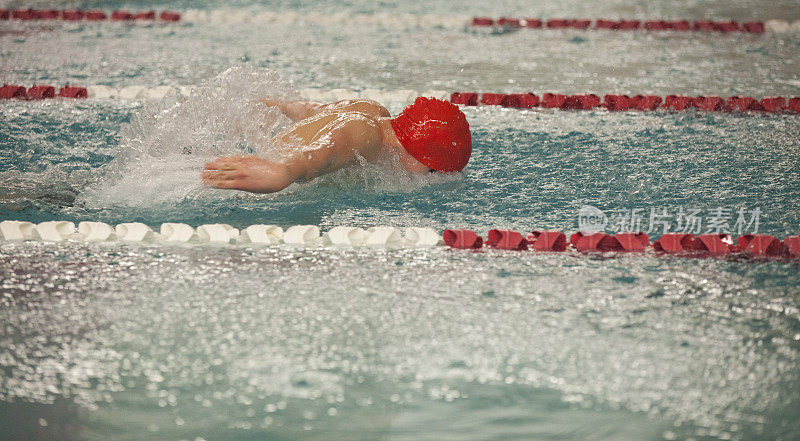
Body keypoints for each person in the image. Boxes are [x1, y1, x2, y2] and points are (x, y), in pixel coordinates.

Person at [201, 96, 472, 193]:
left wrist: (280, 106)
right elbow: (325, 151)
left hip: (253, 163)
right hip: (254, 179)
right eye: (433, 171)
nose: (429, 177)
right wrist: (283, 172)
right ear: (419, 154)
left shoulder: (370, 109)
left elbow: (310, 109)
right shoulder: (368, 135)